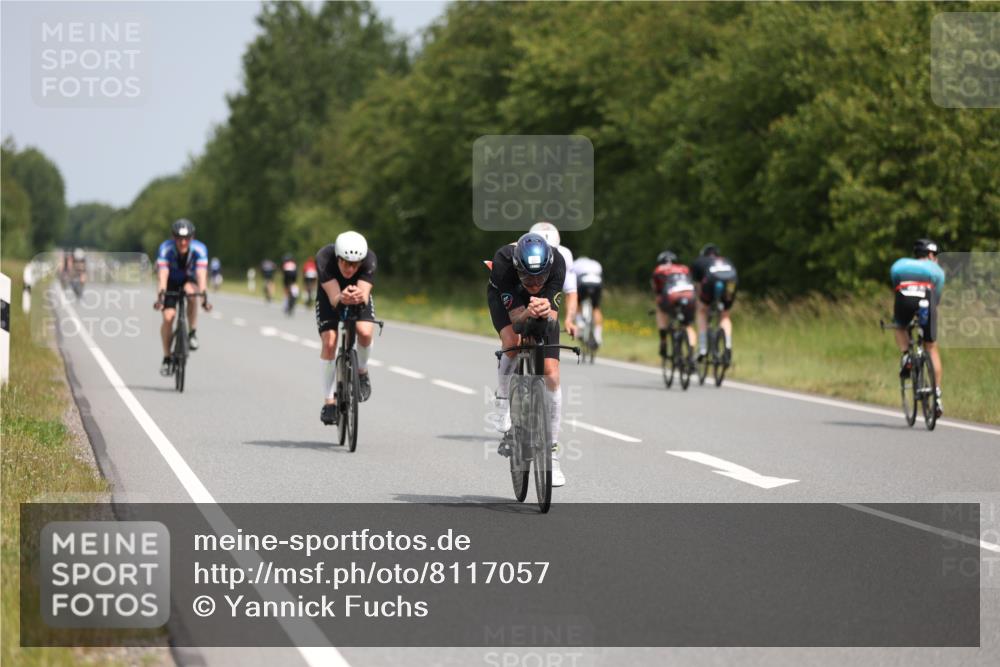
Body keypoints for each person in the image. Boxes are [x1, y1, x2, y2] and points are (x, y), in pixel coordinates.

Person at [487, 232, 568, 487]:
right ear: (517, 268)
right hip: (508, 300)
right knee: (512, 343)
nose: (534, 284)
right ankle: (502, 399)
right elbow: (517, 321)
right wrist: (528, 313)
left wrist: (545, 313)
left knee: (551, 373)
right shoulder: (503, 263)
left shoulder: (558, 263)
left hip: (542, 306)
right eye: (528, 278)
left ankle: (552, 455)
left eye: (539, 278)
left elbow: (552, 320)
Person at [315, 231, 377, 425]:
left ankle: (362, 371)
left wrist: (357, 296)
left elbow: (364, 296)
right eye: (345, 263)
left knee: (365, 332)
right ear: (338, 258)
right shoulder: (324, 258)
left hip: (357, 294)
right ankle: (329, 402)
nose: (350, 269)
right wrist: (342, 297)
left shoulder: (370, 260)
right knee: (330, 341)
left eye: (355, 264)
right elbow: (334, 298)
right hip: (330, 296)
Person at [891, 238, 946, 417]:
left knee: (899, 325)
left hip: (905, 296)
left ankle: (907, 356)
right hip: (926, 301)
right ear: (930, 255)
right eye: (935, 256)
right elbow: (935, 300)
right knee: (931, 347)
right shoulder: (937, 270)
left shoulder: (899, 264)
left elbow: (896, 287)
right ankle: (937, 397)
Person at [153, 219, 211, 375]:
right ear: (173, 237)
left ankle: (192, 332)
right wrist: (161, 296)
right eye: (179, 238)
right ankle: (166, 357)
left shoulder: (200, 249)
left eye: (186, 238)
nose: (183, 242)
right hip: (170, 281)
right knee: (168, 317)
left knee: (192, 294)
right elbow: (162, 274)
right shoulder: (165, 249)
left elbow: (201, 274)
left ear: (192, 238)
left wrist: (204, 295)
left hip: (188, 279)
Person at [690, 244, 738, 365]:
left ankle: (703, 348)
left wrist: (701, 302)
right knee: (725, 315)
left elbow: (698, 286)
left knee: (702, 311)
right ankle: (727, 344)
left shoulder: (699, 261)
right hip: (731, 281)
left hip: (710, 281)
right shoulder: (726, 260)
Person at [530, 222, 578, 337]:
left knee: (550, 327)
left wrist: (569, 320)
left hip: (550, 289)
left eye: (552, 251)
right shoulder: (521, 251)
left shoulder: (565, 254)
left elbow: (571, 291)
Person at [651, 250, 697, 362]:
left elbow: (658, 293)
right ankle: (691, 351)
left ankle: (663, 340)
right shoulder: (684, 268)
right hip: (689, 294)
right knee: (688, 325)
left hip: (672, 295)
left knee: (660, 310)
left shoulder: (658, 270)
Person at [573, 256, 604, 347]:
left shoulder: (576, 263)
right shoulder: (596, 263)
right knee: (596, 307)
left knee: (577, 302)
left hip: (583, 282)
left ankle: (580, 324)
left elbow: (573, 280)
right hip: (597, 282)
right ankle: (598, 335)